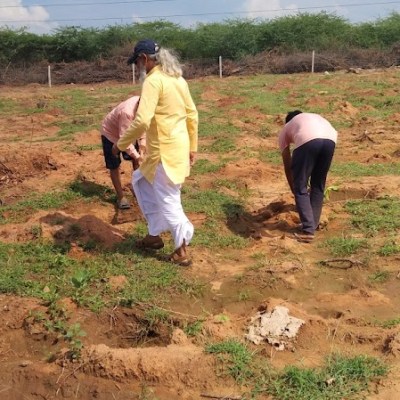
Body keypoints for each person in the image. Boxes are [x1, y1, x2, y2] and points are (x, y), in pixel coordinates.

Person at [112, 39, 198, 266]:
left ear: (144, 58)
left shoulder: (153, 81)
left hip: (164, 154)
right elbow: (192, 115)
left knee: (169, 199)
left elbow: (141, 120)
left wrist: (120, 144)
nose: (138, 67)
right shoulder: (178, 79)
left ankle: (181, 249)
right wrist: (192, 147)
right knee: (140, 181)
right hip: (177, 148)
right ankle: (153, 235)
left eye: (137, 62)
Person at [278, 110, 337, 242]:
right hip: (331, 139)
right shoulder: (312, 117)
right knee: (318, 185)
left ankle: (308, 230)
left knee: (300, 186)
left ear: (288, 122)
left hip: (308, 139)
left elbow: (287, 164)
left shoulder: (286, 128)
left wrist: (295, 190)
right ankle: (312, 224)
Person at [100, 96, 146, 209]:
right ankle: (121, 197)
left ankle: (138, 190)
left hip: (128, 133)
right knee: (114, 165)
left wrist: (142, 148)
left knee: (136, 160)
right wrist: (138, 156)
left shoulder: (146, 106)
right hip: (110, 134)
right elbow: (124, 140)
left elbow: (143, 129)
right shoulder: (127, 113)